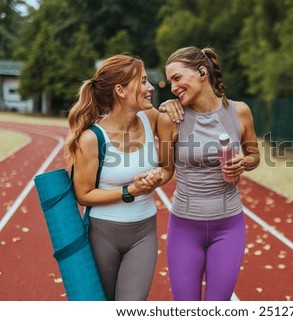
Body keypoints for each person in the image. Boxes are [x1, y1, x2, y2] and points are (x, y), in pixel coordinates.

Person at [157, 46, 261, 301]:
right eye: (170, 81)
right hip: (184, 227)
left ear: (202, 72)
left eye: (177, 78)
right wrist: (135, 186)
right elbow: (164, 170)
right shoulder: (172, 118)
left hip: (228, 226)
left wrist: (243, 163)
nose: (172, 87)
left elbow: (255, 157)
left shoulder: (240, 112)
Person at [65, 54, 169, 301]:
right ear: (121, 90)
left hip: (144, 230)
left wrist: (158, 177)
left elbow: (167, 167)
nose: (151, 87)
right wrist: (129, 191)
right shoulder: (91, 138)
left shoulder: (152, 118)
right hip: (102, 234)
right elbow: (83, 194)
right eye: (143, 82)